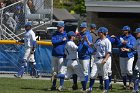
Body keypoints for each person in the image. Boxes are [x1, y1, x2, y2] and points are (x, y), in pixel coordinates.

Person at [87, 27, 112, 93]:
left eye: (99, 32)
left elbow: (109, 52)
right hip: (96, 59)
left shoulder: (107, 41)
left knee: (104, 76)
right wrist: (87, 41)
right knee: (92, 75)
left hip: (103, 59)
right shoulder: (98, 40)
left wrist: (105, 59)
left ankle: (106, 90)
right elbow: (93, 46)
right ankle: (90, 89)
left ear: (102, 33)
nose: (98, 33)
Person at [51, 22, 67, 90]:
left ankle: (61, 86)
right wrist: (61, 40)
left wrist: (59, 41)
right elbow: (53, 42)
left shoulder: (65, 34)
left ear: (63, 27)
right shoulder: (55, 34)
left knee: (61, 71)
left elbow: (66, 42)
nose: (58, 28)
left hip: (62, 55)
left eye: (60, 27)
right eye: (58, 27)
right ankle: (54, 86)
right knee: (54, 71)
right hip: (54, 54)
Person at [77, 22, 93, 89]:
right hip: (79, 55)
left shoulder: (88, 35)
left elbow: (89, 46)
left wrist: (83, 41)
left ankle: (84, 87)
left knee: (85, 72)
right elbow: (77, 44)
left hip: (85, 56)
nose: (81, 28)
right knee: (81, 73)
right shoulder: (79, 34)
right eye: (80, 27)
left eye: (82, 27)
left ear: (85, 28)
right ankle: (83, 86)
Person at [131, 28, 140, 93]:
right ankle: (136, 89)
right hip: (139, 60)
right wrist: (127, 49)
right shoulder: (137, 40)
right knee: (136, 73)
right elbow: (133, 49)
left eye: (137, 33)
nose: (136, 34)